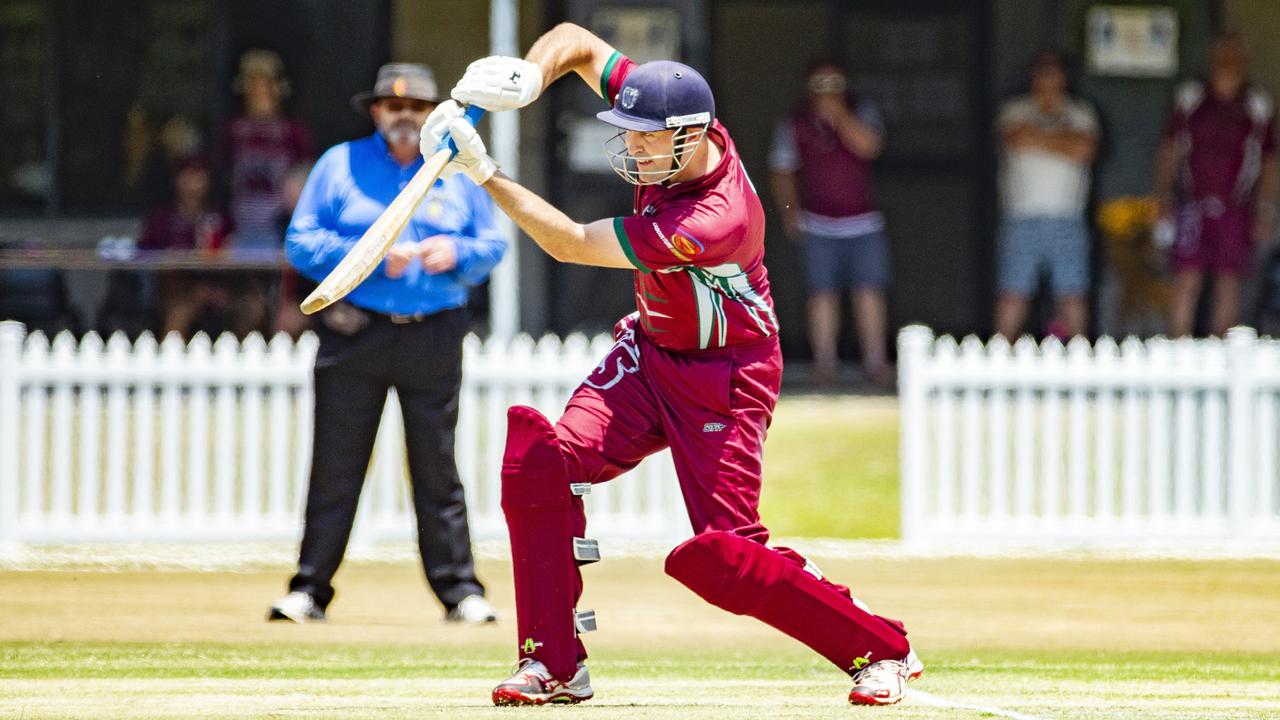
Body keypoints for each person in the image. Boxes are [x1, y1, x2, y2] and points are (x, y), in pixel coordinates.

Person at [425, 22, 921, 707]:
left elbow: (570, 243)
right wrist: (526, 81)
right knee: (541, 464)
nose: (630, 144)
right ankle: (554, 663)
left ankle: (881, 647)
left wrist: (484, 173)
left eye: (644, 135)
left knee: (727, 555)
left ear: (690, 134)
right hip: (649, 352)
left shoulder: (712, 220)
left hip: (727, 377)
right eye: (626, 128)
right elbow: (572, 39)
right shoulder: (667, 109)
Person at [270, 62, 506, 626]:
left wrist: (460, 254)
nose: (405, 118)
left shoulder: (455, 167)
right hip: (357, 327)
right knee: (336, 462)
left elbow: (493, 241)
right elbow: (300, 242)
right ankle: (309, 589)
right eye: (393, 107)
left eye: (417, 109)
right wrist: (367, 252)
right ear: (376, 112)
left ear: (433, 115)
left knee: (437, 466)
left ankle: (461, 592)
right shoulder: (339, 164)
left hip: (434, 327)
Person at [769, 59, 894, 385]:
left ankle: (875, 363)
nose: (828, 92)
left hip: (863, 221)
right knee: (821, 294)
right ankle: (824, 365)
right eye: (821, 86)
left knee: (869, 291)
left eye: (834, 85)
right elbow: (781, 172)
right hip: (817, 222)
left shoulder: (861, 111)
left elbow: (870, 147)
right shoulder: (794, 122)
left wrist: (839, 117)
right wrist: (789, 212)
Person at [1155, 33, 1278, 337]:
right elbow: (1170, 150)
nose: (1226, 62)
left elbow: (1269, 162)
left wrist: (1265, 209)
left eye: (1232, 55)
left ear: (1242, 59)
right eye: (1220, 55)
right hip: (1192, 202)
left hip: (1236, 207)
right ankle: (1177, 352)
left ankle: (1223, 353)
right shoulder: (1191, 96)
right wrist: (1163, 198)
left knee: (1228, 280)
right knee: (1186, 278)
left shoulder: (1256, 104)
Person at [993, 50, 1100, 341]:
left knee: (1072, 295)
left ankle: (1080, 366)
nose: (1049, 78)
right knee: (1013, 294)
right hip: (1021, 216)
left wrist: (1038, 139)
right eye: (1043, 71)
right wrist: (1063, 141)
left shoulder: (1081, 112)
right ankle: (999, 364)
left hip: (1068, 217)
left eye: (1054, 72)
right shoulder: (1015, 110)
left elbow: (1085, 150)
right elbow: (1015, 139)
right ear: (1034, 76)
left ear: (1064, 77)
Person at [136, 156, 265, 339]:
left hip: (219, 285)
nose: (193, 183)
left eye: (198, 176)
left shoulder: (218, 215)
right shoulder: (163, 218)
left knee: (252, 306)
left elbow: (233, 248)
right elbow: (145, 253)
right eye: (187, 176)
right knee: (179, 314)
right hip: (178, 290)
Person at [223, 49, 314, 249]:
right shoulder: (234, 130)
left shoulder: (292, 131)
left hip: (281, 228)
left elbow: (304, 179)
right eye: (253, 84)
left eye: (266, 83)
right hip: (241, 225)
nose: (260, 91)